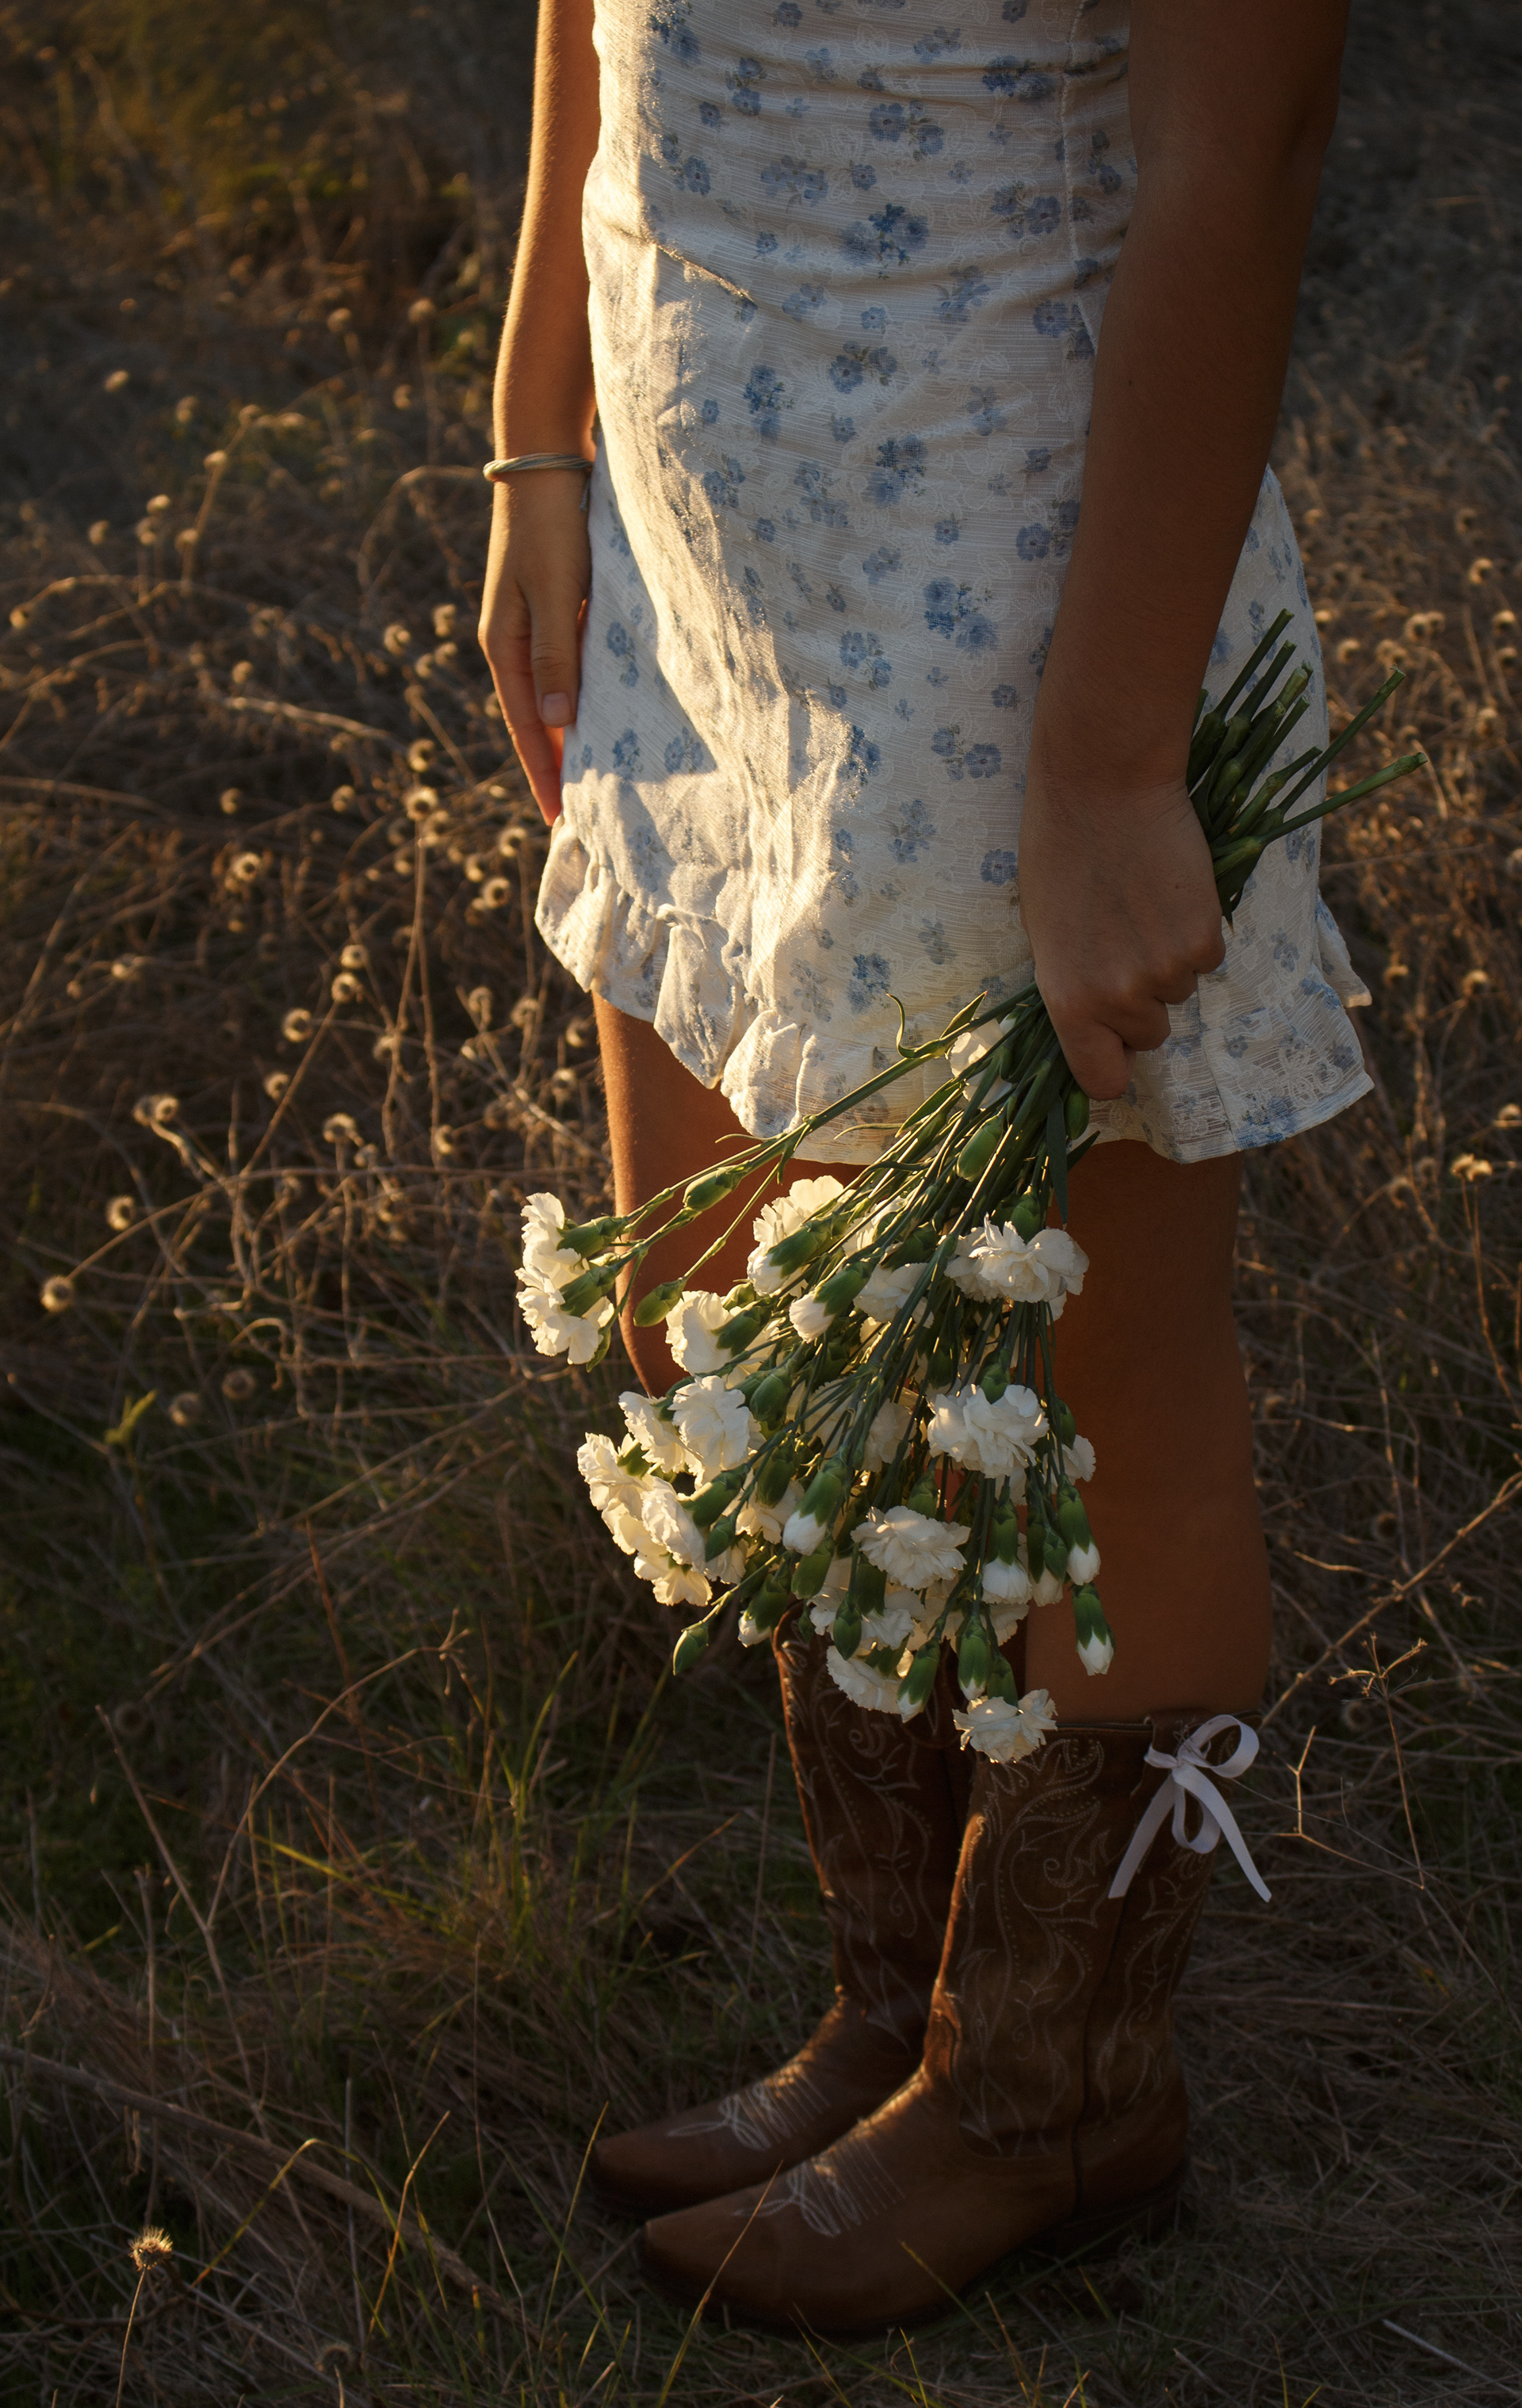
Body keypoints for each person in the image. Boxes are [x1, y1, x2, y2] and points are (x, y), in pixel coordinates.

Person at [481, 0, 1359, 2332]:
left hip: (1008, 561)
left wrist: (1106, 752)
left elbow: (1238, 151)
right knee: (759, 1314)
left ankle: (1049, 2087)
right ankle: (904, 2001)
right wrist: (535, 435)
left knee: (1082, 1388)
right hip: (701, 533)